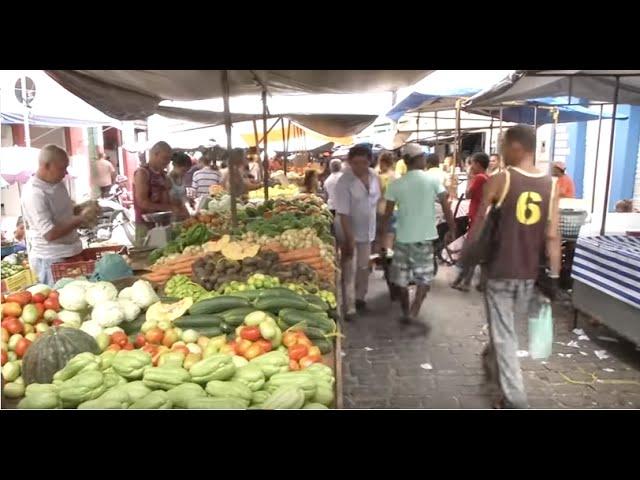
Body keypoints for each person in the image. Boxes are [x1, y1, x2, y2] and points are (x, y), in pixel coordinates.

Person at [463, 125, 561, 409]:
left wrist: (467, 260)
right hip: (529, 274)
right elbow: (553, 235)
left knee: (505, 333)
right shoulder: (551, 185)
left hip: (500, 270)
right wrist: (553, 277)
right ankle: (489, 357)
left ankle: (515, 399)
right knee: (503, 325)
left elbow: (479, 223)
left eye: (504, 144)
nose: (501, 150)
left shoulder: (501, 179)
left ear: (517, 147)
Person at [381, 144, 457, 324]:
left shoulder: (396, 184)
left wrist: (382, 235)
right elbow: (446, 206)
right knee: (424, 276)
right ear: (420, 159)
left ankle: (406, 309)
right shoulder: (432, 181)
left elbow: (388, 214)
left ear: (405, 162)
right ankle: (415, 308)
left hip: (403, 238)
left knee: (401, 277)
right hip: (424, 238)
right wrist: (453, 229)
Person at [21, 145, 97, 285]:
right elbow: (49, 233)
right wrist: (81, 218)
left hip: (71, 252)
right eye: (62, 168)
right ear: (46, 166)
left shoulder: (57, 183)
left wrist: (81, 208)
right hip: (52, 259)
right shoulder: (34, 193)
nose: (65, 172)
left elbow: (63, 213)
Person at [334, 145, 381, 321]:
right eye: (355, 163)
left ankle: (361, 298)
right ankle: (350, 307)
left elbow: (377, 201)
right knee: (349, 269)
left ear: (369, 161)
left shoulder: (375, 177)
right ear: (350, 162)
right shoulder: (344, 182)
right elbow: (343, 214)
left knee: (364, 267)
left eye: (363, 162)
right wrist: (349, 239)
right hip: (348, 231)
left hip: (368, 231)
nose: (359, 166)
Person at [451, 152, 490, 291]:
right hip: (482, 217)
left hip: (476, 218)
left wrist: (469, 178)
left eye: (472, 163)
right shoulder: (487, 177)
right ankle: (476, 283)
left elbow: (468, 194)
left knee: (470, 252)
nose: (470, 166)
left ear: (478, 164)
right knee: (478, 253)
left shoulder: (479, 178)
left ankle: (464, 282)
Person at [133, 141, 176, 238]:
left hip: (163, 224)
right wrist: (169, 208)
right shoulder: (142, 173)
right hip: (144, 226)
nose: (167, 162)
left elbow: (166, 201)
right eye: (165, 158)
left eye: (169, 159)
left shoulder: (164, 175)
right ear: (155, 155)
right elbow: (142, 202)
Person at [168, 152, 192, 219]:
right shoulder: (167, 179)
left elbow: (183, 195)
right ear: (175, 166)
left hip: (182, 212)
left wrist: (188, 200)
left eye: (186, 171)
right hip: (172, 213)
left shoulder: (182, 178)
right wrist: (183, 200)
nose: (184, 173)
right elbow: (169, 199)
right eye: (183, 170)